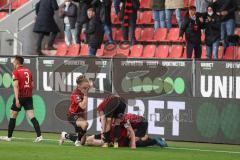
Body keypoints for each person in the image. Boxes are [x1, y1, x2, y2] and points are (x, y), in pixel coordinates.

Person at [0, 56, 42, 142]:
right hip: (28, 96)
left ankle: (9, 137)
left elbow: (16, 86)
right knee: (32, 116)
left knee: (13, 114)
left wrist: (17, 99)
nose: (12, 63)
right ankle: (39, 136)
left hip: (20, 96)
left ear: (17, 62)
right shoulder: (28, 71)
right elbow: (32, 85)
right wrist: (29, 94)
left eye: (14, 61)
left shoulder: (16, 72)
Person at [59, 75, 90, 146]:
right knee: (85, 124)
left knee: (83, 142)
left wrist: (88, 86)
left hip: (81, 115)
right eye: (84, 87)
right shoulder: (75, 93)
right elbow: (83, 106)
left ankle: (65, 135)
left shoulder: (84, 88)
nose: (86, 89)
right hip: (73, 115)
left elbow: (89, 84)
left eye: (87, 87)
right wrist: (85, 94)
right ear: (79, 86)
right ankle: (77, 141)